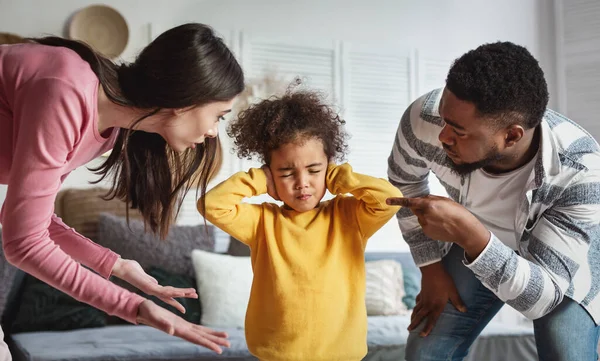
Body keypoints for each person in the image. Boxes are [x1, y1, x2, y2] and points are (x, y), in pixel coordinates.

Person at [0, 23, 245, 355]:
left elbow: (33, 223)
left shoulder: (108, 129)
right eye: (219, 115)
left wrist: (118, 266)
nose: (215, 131)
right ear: (186, 101)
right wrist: (135, 306)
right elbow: (24, 243)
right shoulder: (67, 91)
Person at [386, 41, 600, 361]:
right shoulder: (426, 119)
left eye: (458, 131)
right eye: (444, 118)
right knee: (425, 351)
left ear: (511, 136)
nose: (442, 136)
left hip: (561, 261)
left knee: (564, 354)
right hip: (478, 238)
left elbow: (541, 300)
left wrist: (469, 232)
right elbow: (405, 180)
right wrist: (431, 267)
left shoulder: (580, 174)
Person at [198, 89, 402, 361]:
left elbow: (390, 199)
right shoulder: (262, 222)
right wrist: (259, 179)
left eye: (315, 170)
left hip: (342, 354)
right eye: (286, 172)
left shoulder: (349, 217)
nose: (302, 182)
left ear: (328, 168)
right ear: (272, 174)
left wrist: (341, 177)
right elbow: (211, 205)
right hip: (276, 354)